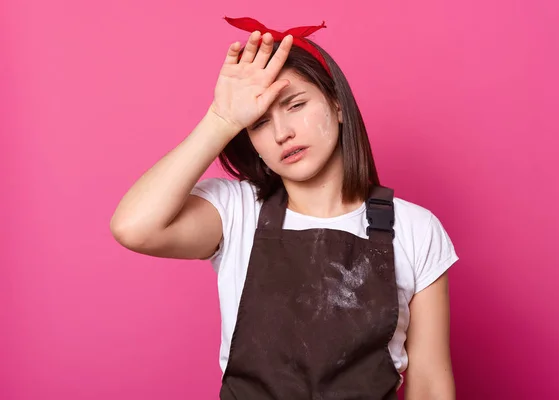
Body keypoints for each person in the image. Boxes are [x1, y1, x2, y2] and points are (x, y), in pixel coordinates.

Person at [110, 16, 459, 400]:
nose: (282, 133)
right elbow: (134, 227)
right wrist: (222, 118)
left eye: (295, 105)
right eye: (259, 123)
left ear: (338, 105)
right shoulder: (237, 211)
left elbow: (428, 383)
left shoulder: (415, 228)